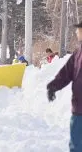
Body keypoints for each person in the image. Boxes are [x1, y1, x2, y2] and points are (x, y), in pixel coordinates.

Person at [47, 22, 82, 152]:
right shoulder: (78, 53)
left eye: (79, 30)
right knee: (76, 145)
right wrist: (53, 87)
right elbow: (66, 73)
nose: (77, 33)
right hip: (79, 110)